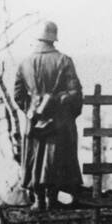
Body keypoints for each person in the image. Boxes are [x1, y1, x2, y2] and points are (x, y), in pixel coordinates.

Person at [13, 21, 83, 211]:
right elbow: (75, 93)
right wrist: (63, 103)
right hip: (59, 121)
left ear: (38, 38)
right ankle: (52, 199)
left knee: (35, 158)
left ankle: (39, 200)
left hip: (33, 121)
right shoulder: (64, 61)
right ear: (54, 38)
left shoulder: (25, 62)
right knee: (54, 158)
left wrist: (31, 110)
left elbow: (18, 95)